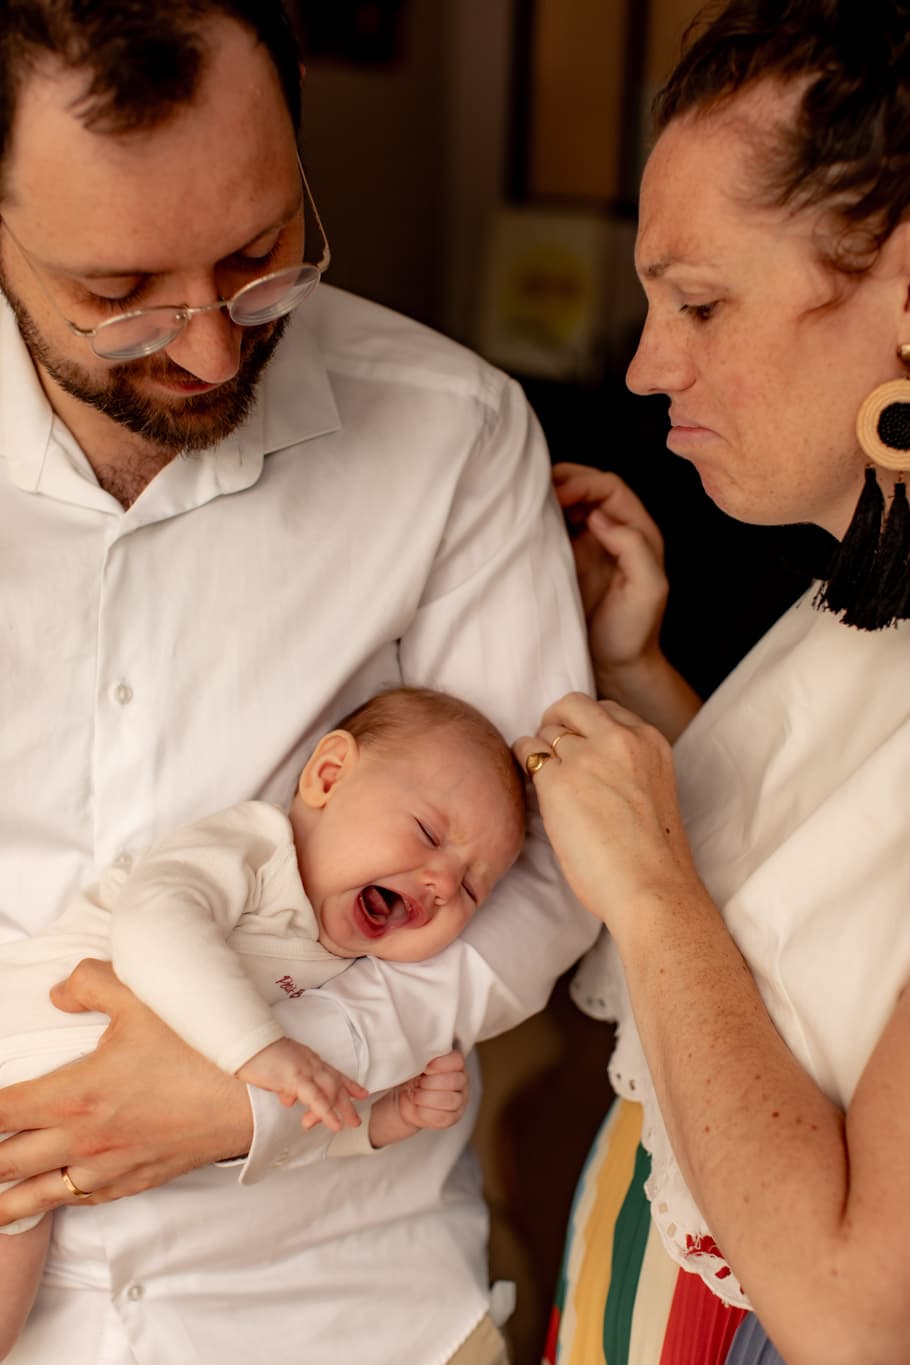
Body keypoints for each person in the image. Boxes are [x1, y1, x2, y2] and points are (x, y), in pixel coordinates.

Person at [0, 3, 597, 1362]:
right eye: (119, 292)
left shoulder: (450, 432)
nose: (212, 349)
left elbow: (547, 869)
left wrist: (256, 1092)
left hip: (345, 1308)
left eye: (260, 256)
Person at [514, 2, 910, 1362]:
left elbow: (854, 1310)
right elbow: (815, 926)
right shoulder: (864, 588)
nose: (642, 363)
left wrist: (648, 890)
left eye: (698, 300)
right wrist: (638, 673)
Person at [0, 684, 527, 1357]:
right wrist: (260, 1049)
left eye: (471, 888)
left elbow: (292, 1114)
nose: (442, 883)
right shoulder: (250, 851)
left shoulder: (341, 970)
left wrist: (387, 1116)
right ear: (328, 775)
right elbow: (156, 924)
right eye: (427, 832)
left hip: (28, 1153)